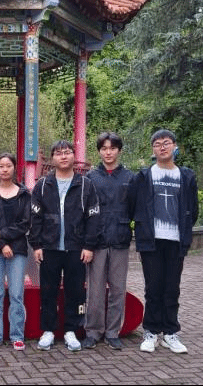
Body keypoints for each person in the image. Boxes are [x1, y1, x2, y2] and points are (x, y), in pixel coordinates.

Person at [130, 129, 198, 354]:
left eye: (166, 143)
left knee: (172, 288)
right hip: (151, 240)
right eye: (157, 144)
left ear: (175, 146)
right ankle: (151, 332)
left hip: (176, 241)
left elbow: (193, 209)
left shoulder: (186, 176)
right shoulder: (143, 176)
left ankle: (170, 333)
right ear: (153, 149)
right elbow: (133, 205)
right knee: (153, 288)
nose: (162, 147)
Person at [29, 140, 100, 352]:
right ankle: (48, 331)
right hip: (49, 248)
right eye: (59, 153)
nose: (63, 156)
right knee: (48, 291)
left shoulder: (85, 184)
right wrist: (37, 245)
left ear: (73, 156)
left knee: (75, 291)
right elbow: (35, 218)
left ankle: (71, 330)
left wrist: (89, 246)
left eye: (67, 152)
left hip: (76, 247)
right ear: (53, 158)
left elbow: (93, 217)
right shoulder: (43, 185)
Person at [82, 132, 134, 351]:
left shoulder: (130, 177)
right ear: (99, 151)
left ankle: (113, 332)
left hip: (120, 239)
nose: (108, 152)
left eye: (112, 148)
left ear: (119, 150)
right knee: (94, 290)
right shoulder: (90, 178)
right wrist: (87, 242)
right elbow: (85, 211)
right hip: (97, 241)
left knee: (118, 289)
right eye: (104, 148)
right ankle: (93, 332)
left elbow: (134, 208)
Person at [0, 153, 31, 351]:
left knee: (17, 294)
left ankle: (17, 336)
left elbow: (25, 223)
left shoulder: (24, 194)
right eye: (1, 166)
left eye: (8, 165)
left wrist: (1, 236)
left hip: (18, 249)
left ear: (14, 168)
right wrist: (2, 244)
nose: (4, 169)